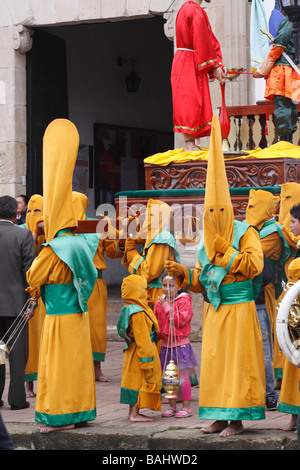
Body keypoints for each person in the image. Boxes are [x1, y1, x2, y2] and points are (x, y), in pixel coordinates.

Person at [165, 115, 265, 437]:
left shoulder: (244, 230)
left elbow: (256, 265)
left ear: (229, 208)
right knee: (214, 365)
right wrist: (184, 274)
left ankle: (236, 419)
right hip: (214, 312)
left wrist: (229, 252)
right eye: (210, 212)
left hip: (239, 309)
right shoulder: (206, 238)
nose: (215, 217)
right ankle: (218, 416)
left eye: (219, 211)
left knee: (237, 365)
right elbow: (203, 276)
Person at [26, 119, 98, 433]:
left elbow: (33, 276)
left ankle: (59, 418)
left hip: (56, 315)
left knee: (56, 368)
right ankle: (81, 412)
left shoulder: (53, 248)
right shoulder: (81, 242)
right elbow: (92, 275)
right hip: (78, 313)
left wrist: (39, 243)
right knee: (78, 365)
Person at [72, 191, 124, 382]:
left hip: (95, 283)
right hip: (72, 283)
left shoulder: (99, 225)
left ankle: (97, 369)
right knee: (74, 326)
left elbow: (113, 251)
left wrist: (122, 241)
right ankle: (75, 368)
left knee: (96, 327)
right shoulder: (63, 226)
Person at [171, 0, 227, 151]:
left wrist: (218, 66)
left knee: (192, 99)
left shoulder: (188, 8)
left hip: (187, 60)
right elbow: (203, 41)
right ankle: (189, 144)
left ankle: (191, 142)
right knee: (190, 100)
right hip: (190, 61)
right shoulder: (194, 9)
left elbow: (208, 40)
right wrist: (214, 66)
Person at [0, 195, 36, 410]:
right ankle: (17, 399)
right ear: (17, 214)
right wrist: (32, 303)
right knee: (16, 354)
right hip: (17, 305)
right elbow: (31, 273)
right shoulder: (22, 235)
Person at [117, 274, 162, 422]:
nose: (147, 291)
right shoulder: (139, 314)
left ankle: (132, 412)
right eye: (144, 289)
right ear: (136, 291)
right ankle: (135, 414)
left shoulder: (130, 307)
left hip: (132, 350)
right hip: (141, 352)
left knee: (132, 381)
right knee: (139, 382)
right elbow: (143, 339)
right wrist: (147, 360)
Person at [154, 272, 198, 418]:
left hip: (181, 345)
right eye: (164, 285)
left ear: (179, 286)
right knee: (169, 377)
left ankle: (186, 407)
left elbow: (179, 321)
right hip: (166, 345)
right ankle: (172, 407)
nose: (167, 289)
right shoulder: (160, 302)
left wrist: (167, 308)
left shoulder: (184, 301)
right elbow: (157, 323)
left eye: (171, 285)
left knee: (183, 377)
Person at [122, 198, 180, 308]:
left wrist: (132, 253)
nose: (146, 219)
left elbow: (149, 272)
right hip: (151, 292)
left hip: (159, 294)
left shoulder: (162, 239)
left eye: (150, 215)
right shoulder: (154, 236)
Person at [253, 9, 299, 142]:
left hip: (284, 71)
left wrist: (262, 70)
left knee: (284, 107)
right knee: (292, 107)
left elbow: (278, 46)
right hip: (296, 71)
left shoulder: (289, 20)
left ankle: (285, 142)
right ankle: (288, 140)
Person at [277, 203, 300, 432]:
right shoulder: (297, 246)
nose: (290, 225)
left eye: (293, 221)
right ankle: (294, 416)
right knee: (293, 364)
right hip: (294, 314)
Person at [23, 195, 46, 398]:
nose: (32, 216)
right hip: (27, 294)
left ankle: (46, 383)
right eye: (29, 211)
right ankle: (28, 384)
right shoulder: (21, 234)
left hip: (47, 295)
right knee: (30, 340)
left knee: (45, 340)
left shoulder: (51, 233)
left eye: (37, 211)